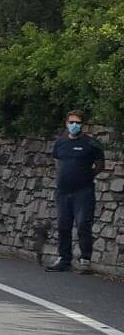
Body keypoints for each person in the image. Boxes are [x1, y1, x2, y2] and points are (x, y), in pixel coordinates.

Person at [46, 110, 105, 272]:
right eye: (71, 122)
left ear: (83, 125)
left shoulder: (92, 144)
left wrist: (87, 176)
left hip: (83, 191)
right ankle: (64, 259)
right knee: (63, 224)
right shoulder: (60, 143)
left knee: (82, 224)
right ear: (66, 124)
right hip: (63, 191)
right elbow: (57, 162)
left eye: (78, 123)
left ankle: (85, 260)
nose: (74, 125)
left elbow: (100, 165)